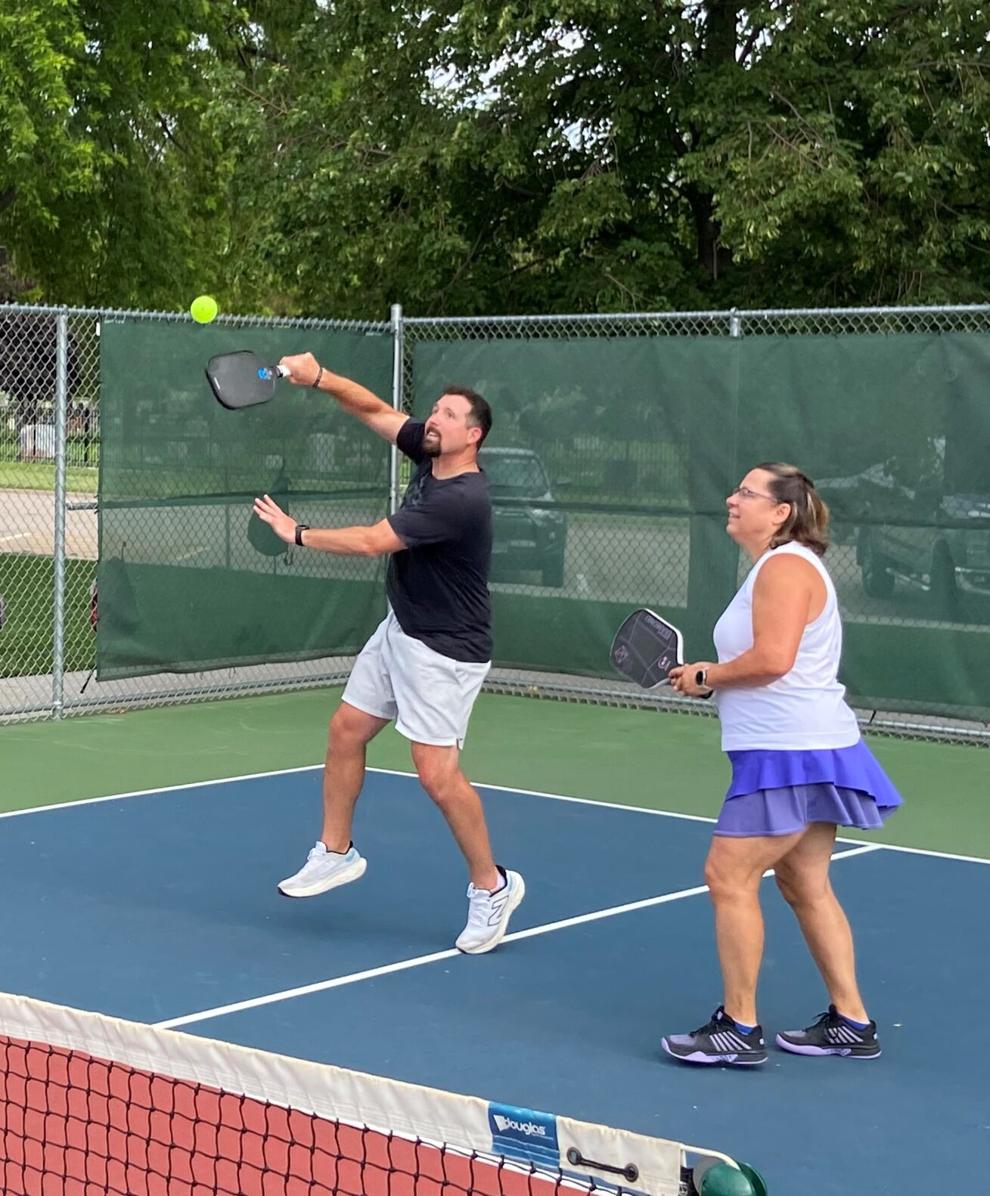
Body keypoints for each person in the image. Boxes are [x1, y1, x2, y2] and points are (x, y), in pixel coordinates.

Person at [252, 353, 524, 955]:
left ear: (473, 435)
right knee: (346, 730)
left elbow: (376, 541)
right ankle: (336, 852)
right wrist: (320, 377)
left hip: (444, 650)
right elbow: (372, 409)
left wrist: (297, 534)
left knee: (438, 777)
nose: (433, 419)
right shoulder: (430, 453)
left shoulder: (461, 499)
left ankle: (492, 885)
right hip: (403, 625)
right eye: (433, 410)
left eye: (448, 415)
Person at [660, 463, 902, 1066]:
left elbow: (773, 659)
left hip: (789, 751)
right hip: (803, 746)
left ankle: (738, 1028)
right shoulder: (774, 568)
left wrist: (707, 675)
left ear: (781, 512)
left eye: (746, 493)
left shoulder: (787, 567)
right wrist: (712, 680)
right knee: (804, 881)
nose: (732, 499)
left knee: (728, 875)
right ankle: (852, 1021)